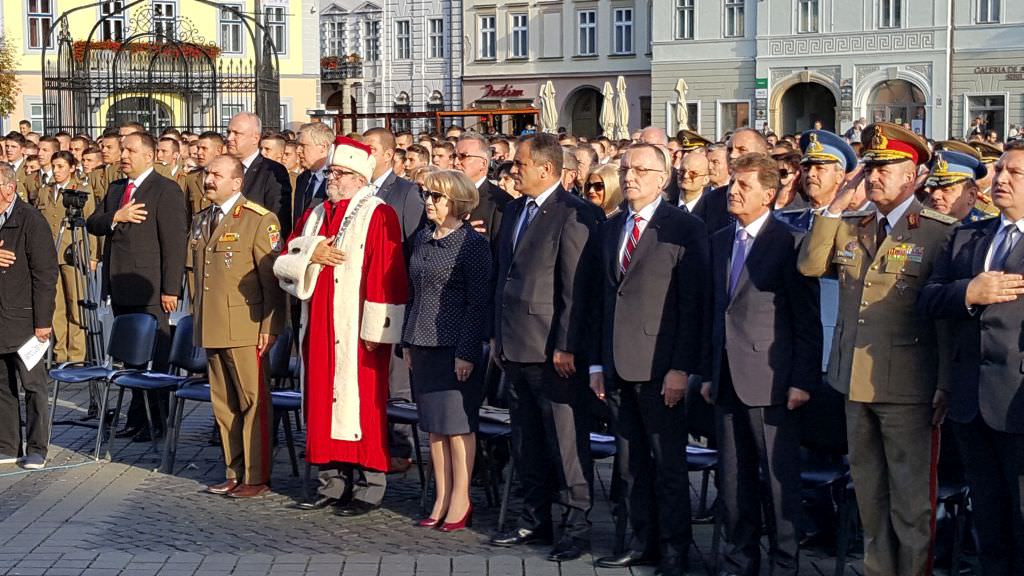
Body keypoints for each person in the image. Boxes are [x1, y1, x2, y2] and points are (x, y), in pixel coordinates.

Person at [797, 122, 957, 576]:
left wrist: (944, 382)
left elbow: (945, 319)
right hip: (852, 379)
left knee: (910, 503)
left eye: (885, 167)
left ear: (913, 175)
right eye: (870, 166)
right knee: (869, 496)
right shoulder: (854, 225)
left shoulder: (936, 232)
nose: (874, 175)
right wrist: (835, 206)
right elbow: (810, 265)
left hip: (909, 386)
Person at [589, 145, 708, 576]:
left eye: (640, 169)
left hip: (661, 367)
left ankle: (675, 549)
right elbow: (603, 300)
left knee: (668, 465)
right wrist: (597, 364)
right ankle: (642, 542)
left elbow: (691, 304)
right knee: (630, 462)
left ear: (663, 177)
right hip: (617, 364)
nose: (630, 176)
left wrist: (681, 367)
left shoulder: (683, 228)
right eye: (625, 169)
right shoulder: (610, 227)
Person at [702, 153, 821, 576]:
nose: (733, 192)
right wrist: (706, 371)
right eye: (733, 183)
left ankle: (785, 563)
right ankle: (740, 560)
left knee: (777, 480)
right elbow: (715, 311)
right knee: (733, 479)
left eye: (744, 186)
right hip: (727, 377)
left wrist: (803, 380)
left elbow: (806, 321)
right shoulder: (718, 240)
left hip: (772, 380)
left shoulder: (789, 242)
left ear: (769, 195)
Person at [277, 137, 407, 516]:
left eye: (340, 173)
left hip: (357, 328)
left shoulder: (377, 213)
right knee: (321, 403)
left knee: (361, 405)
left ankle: (369, 484)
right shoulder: (316, 214)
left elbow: (389, 273)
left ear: (358, 176)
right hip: (319, 323)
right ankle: (331, 482)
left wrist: (378, 331)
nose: (332, 178)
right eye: (332, 171)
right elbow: (286, 256)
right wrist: (310, 252)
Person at [489, 133, 597, 562]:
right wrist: (497, 333)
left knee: (565, 442)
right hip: (514, 343)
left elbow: (575, 287)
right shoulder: (514, 209)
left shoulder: (574, 213)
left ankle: (577, 524)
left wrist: (567, 343)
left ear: (546, 169)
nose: (515, 171)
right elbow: (504, 276)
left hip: (553, 348)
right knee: (526, 440)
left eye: (520, 164)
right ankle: (534, 518)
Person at [920, 140, 1024, 575]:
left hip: (1018, 400)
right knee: (988, 521)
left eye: (1013, 173)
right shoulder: (969, 235)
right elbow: (926, 299)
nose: (999, 179)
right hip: (970, 401)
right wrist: (969, 292)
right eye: (997, 171)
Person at [402, 170, 491, 532]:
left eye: (437, 197)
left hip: (454, 345)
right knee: (434, 428)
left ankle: (461, 497)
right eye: (427, 195)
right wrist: (407, 340)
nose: (429, 202)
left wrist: (467, 352)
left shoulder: (473, 244)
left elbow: (478, 302)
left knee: (457, 426)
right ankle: (440, 494)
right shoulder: (424, 237)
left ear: (456, 202)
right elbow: (413, 291)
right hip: (421, 342)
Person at [192, 155, 286, 499]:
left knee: (253, 402)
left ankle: (256, 475)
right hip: (213, 325)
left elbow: (271, 280)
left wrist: (271, 325)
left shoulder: (259, 221)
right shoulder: (203, 219)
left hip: (247, 326)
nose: (209, 179)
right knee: (223, 404)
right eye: (207, 173)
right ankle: (233, 470)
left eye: (217, 174)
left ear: (237, 182)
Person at [86, 132, 188, 442]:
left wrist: (171, 289)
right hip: (120, 284)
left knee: (156, 356)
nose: (125, 155)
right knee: (130, 357)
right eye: (123, 150)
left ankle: (157, 420)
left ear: (150, 155)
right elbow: (93, 223)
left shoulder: (165, 189)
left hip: (152, 289)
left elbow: (173, 244)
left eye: (131, 150)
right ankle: (135, 417)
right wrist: (116, 216)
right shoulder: (117, 189)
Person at [0, 163, 58, 469]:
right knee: (2, 384)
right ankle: (8, 445)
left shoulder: (31, 220)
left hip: (25, 317)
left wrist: (43, 321)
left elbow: (46, 274)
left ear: (9, 189)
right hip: (0, 317)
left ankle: (37, 448)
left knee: (33, 384)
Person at [35, 151, 97, 366]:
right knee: (56, 307)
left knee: (76, 303)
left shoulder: (81, 191)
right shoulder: (46, 191)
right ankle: (61, 354)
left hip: (74, 254)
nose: (57, 171)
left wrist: (93, 256)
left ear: (72, 168)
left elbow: (91, 224)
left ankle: (77, 355)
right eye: (54, 166)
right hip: (51, 256)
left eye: (61, 166)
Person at [226, 112, 292, 235]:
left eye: (237, 134)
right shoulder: (221, 168)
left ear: (255, 138)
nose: (229, 138)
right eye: (228, 132)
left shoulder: (272, 172)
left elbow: (277, 221)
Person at [694, 129, 770, 235]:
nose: (732, 155)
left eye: (742, 150)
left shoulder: (783, 200)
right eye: (729, 150)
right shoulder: (711, 200)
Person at [456, 132, 512, 242]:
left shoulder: (501, 202)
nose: (455, 162)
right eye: (454, 156)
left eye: (463, 156)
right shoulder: (441, 196)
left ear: (483, 163)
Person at [923, 150, 989, 222]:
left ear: (971, 196)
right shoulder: (919, 225)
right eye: (932, 189)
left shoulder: (989, 230)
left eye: (946, 189)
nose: (935, 196)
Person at [293, 122, 333, 226]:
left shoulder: (335, 179)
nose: (298, 151)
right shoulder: (302, 178)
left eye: (303, 145)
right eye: (297, 145)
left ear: (323, 147)